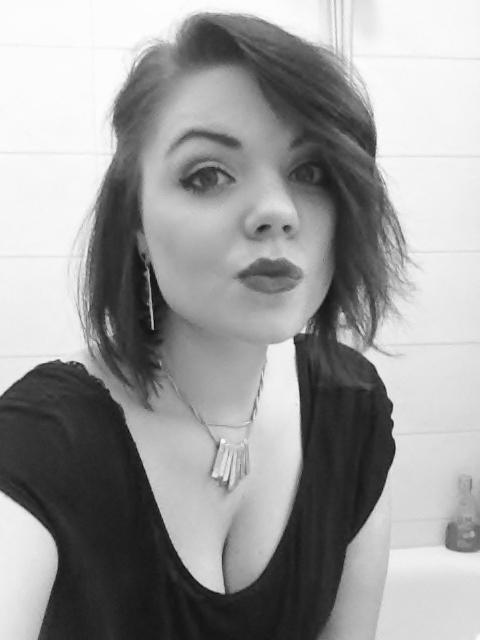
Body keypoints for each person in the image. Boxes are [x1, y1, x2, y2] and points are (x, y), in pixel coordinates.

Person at [0, 11, 414, 640]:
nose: (276, 212)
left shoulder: (350, 408)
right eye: (207, 175)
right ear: (137, 225)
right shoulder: (40, 444)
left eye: (310, 172)